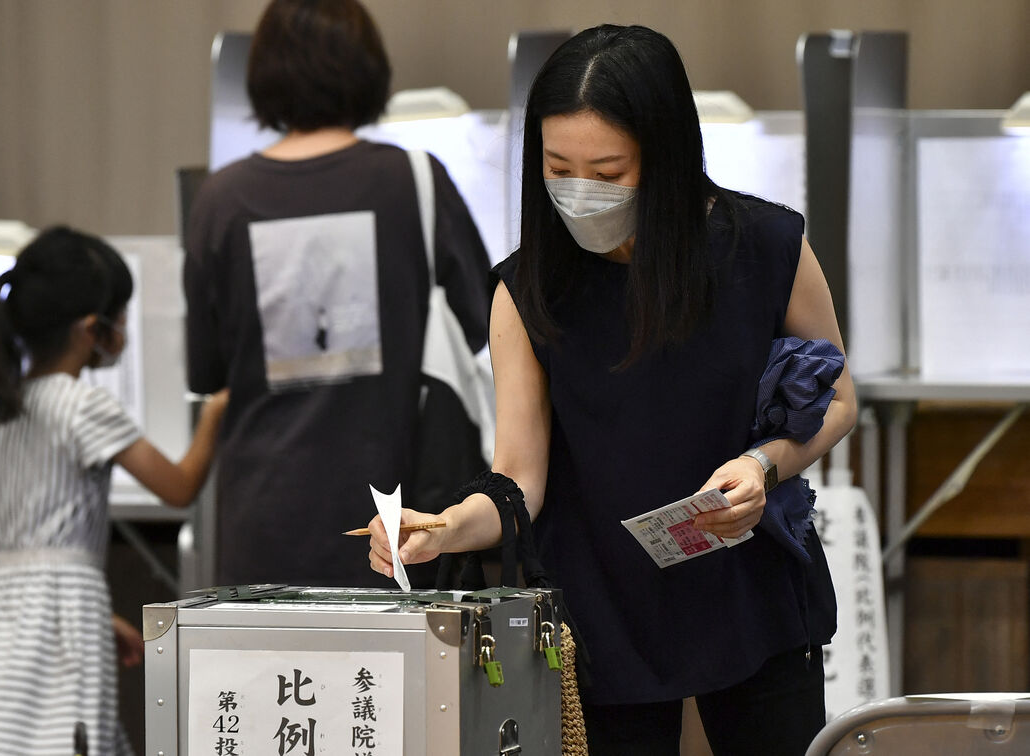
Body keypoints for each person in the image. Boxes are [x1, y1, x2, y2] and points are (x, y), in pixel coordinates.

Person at [367, 24, 858, 756]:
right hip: (602, 609)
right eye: (558, 167)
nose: (579, 193)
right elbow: (520, 478)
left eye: (608, 171)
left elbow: (840, 399)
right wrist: (443, 529)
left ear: (665, 157)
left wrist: (765, 465)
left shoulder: (765, 246)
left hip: (748, 592)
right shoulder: (528, 288)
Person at [184, 0, 491, 586]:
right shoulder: (414, 181)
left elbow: (207, 371)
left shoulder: (221, 201)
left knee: (273, 680)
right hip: (398, 523)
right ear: (369, 69)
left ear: (264, 74)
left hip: (262, 518)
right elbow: (484, 324)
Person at [0, 227, 229, 756]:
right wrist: (215, 414)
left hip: (6, 609)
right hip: (65, 605)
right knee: (68, 737)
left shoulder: (12, 403)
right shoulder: (84, 404)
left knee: (14, 738)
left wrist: (97, 616)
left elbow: (36, 534)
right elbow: (177, 487)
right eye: (122, 315)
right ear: (92, 328)